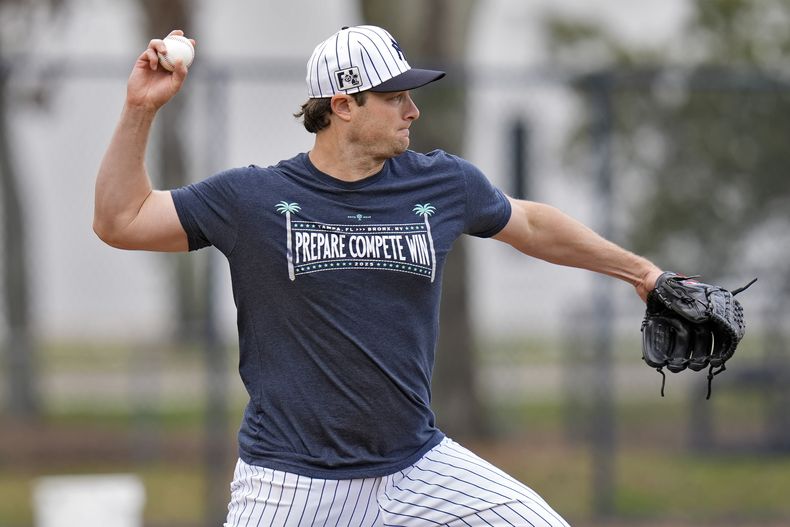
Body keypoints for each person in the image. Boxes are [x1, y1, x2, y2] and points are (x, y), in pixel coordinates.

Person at [94, 25, 662, 527]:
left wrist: (645, 275)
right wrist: (141, 107)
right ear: (343, 105)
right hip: (292, 484)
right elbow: (122, 220)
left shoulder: (441, 184)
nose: (412, 110)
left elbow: (533, 225)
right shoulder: (252, 199)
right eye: (394, 97)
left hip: (417, 469)